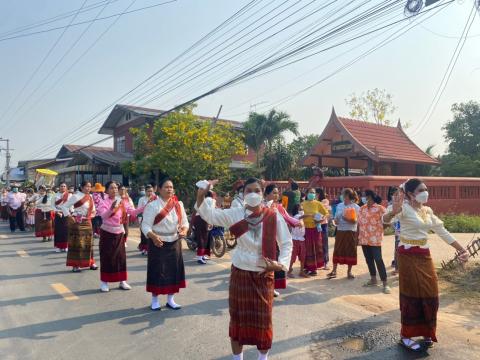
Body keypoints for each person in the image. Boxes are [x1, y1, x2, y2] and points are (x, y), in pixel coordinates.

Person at [196, 178, 292, 360]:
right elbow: (209, 214)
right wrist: (202, 193)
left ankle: (262, 358)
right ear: (243, 194)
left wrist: (281, 265)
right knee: (238, 318)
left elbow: (286, 243)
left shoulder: (273, 215)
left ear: (263, 194)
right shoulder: (235, 214)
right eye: (249, 191)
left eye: (257, 190)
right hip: (240, 270)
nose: (253, 194)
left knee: (263, 319)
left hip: (264, 273)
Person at [383, 178, 469, 351]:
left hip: (424, 254)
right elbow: (385, 221)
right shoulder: (403, 208)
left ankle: (427, 331)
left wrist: (462, 249)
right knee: (412, 295)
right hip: (407, 255)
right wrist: (393, 212)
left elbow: (442, 231)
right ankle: (406, 335)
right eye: (421, 189)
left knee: (431, 294)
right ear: (409, 193)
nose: (425, 192)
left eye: (425, 189)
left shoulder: (427, 211)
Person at [141, 178, 189, 311]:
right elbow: (145, 225)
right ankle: (155, 300)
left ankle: (170, 299)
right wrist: (153, 236)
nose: (169, 189)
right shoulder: (152, 205)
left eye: (171, 187)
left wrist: (184, 230)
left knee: (174, 271)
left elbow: (185, 222)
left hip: (174, 241)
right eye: (166, 187)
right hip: (158, 242)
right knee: (157, 271)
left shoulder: (178, 205)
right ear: (159, 189)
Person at [96, 181, 145, 292]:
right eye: (112, 188)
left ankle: (122, 281)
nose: (114, 190)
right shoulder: (103, 202)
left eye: (116, 188)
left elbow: (133, 212)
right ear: (107, 190)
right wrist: (111, 208)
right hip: (107, 233)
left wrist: (145, 206)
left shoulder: (122, 201)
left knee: (121, 258)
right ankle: (104, 282)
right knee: (107, 258)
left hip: (119, 233)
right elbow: (103, 216)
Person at [264, 183, 298, 295]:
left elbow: (288, 218)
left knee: (274, 263)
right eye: (274, 192)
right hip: (261, 240)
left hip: (275, 240)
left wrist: (298, 223)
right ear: (266, 194)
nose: (276, 195)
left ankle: (271, 287)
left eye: (277, 193)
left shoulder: (278, 207)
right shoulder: (260, 207)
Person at [60, 181, 97, 273]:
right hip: (77, 222)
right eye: (87, 186)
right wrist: (69, 216)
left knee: (89, 243)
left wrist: (92, 214)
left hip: (88, 222)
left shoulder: (90, 197)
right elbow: (64, 206)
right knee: (77, 244)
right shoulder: (75, 196)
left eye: (90, 186)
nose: (88, 188)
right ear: (82, 187)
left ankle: (90, 262)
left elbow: (93, 210)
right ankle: (75, 265)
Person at [358, 190, 390, 294]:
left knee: (378, 259)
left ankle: (385, 283)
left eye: (363, 195)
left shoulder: (380, 208)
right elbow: (359, 223)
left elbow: (387, 221)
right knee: (369, 259)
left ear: (369, 196)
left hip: (375, 239)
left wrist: (379, 230)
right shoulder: (362, 209)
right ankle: (373, 279)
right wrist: (357, 237)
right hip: (364, 238)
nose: (362, 197)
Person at [328, 188, 360, 279]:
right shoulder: (339, 206)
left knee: (350, 251)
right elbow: (335, 218)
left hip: (351, 231)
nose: (341, 196)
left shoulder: (356, 207)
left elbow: (355, 222)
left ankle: (349, 272)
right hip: (340, 230)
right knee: (337, 249)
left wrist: (347, 219)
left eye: (343, 194)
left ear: (347, 196)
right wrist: (336, 221)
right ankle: (334, 270)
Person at [302, 188, 329, 276]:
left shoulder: (318, 204)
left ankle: (314, 268)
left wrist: (320, 221)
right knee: (307, 248)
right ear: (306, 194)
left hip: (316, 228)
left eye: (313, 193)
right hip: (305, 228)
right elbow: (299, 215)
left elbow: (326, 214)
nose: (312, 194)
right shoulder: (302, 204)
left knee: (316, 247)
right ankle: (307, 267)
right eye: (310, 192)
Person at [192, 191, 215, 265]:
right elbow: (211, 212)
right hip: (204, 219)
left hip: (197, 219)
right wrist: (210, 222)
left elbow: (194, 210)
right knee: (203, 238)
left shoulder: (200, 199)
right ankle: (200, 257)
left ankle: (202, 256)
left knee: (202, 237)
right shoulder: (211, 200)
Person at [137, 185, 157, 255]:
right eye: (148, 191)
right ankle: (144, 248)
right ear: (145, 192)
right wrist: (140, 221)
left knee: (152, 234)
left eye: (151, 191)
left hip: (153, 219)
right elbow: (139, 211)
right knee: (144, 235)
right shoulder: (142, 199)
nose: (150, 193)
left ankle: (151, 248)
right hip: (144, 218)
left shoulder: (156, 198)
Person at [288, 205, 308, 278]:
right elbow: (300, 217)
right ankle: (289, 270)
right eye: (300, 209)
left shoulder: (301, 218)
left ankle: (301, 271)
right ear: (296, 210)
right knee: (293, 256)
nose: (302, 210)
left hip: (301, 239)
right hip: (295, 239)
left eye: (302, 209)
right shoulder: (296, 217)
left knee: (303, 255)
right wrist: (309, 214)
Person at [317, 188, 331, 270]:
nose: (314, 195)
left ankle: (326, 262)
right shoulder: (312, 202)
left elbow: (325, 210)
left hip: (323, 224)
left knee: (324, 243)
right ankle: (318, 262)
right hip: (314, 224)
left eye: (316, 193)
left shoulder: (325, 201)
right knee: (316, 244)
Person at [388, 186, 401, 275]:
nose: (397, 195)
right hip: (398, 230)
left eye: (399, 194)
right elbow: (388, 220)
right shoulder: (390, 206)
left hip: (406, 231)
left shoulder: (405, 204)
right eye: (395, 194)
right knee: (397, 249)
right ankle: (397, 267)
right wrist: (395, 227)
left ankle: (400, 266)